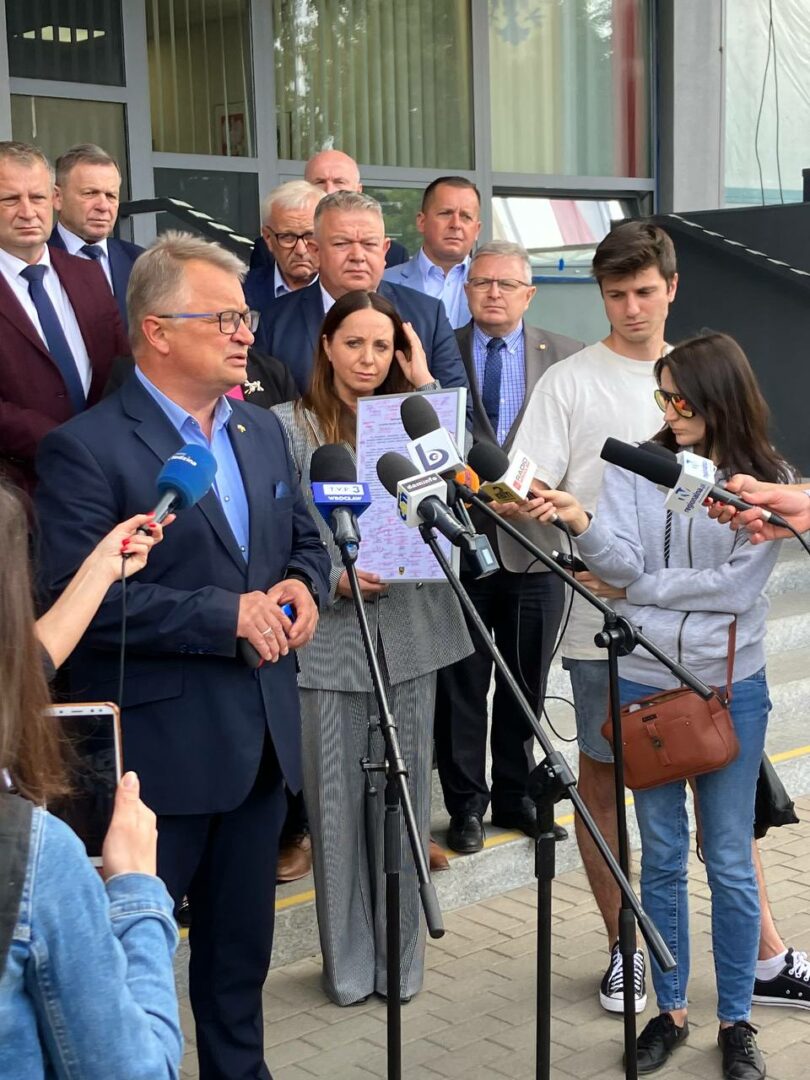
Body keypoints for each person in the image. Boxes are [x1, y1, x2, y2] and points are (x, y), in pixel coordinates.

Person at [34, 232, 331, 1080]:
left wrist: (305, 586)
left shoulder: (261, 429)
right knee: (128, 972)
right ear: (157, 331)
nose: (245, 333)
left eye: (246, 317)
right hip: (156, 762)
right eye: (223, 318)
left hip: (261, 747)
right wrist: (225, 613)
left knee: (239, 970)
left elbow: (303, 540)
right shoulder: (85, 448)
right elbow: (82, 605)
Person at [520, 332, 791, 1079]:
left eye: (680, 397)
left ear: (719, 397)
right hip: (642, 682)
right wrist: (581, 524)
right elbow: (619, 559)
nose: (668, 411)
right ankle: (669, 1011)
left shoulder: (769, 482)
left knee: (729, 860)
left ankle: (736, 1020)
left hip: (729, 688)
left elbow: (734, 590)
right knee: (662, 855)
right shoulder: (638, 464)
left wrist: (636, 592)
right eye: (661, 396)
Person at [271, 289, 473, 1005]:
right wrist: (329, 577)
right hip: (327, 641)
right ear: (326, 346)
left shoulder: (413, 423)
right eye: (353, 342)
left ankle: (402, 965)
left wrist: (426, 386)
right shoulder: (286, 427)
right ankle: (350, 970)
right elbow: (271, 532)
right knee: (334, 811)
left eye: (382, 346)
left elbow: (463, 484)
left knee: (405, 801)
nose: (367, 358)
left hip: (410, 635)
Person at [511, 219, 679, 1012]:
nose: (632, 308)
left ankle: (760, 949)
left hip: (693, 621)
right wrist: (529, 498)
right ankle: (625, 949)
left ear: (672, 287)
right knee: (603, 783)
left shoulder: (699, 371)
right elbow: (524, 481)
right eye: (616, 295)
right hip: (596, 623)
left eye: (644, 291)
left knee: (714, 786)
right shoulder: (569, 381)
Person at [0, 479, 182, 1080]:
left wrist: (102, 567)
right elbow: (136, 1069)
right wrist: (135, 890)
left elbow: (21, 666)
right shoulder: (36, 856)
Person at [434, 241, 582, 854]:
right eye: (482, 282)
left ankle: (516, 795)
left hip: (536, 545)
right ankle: (466, 806)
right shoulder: (442, 351)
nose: (493, 293)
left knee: (525, 681)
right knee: (461, 686)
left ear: (530, 293)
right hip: (459, 540)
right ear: (466, 289)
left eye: (506, 284)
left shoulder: (566, 357)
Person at [254, 191, 471, 416]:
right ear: (315, 251)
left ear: (385, 250)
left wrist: (424, 385)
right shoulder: (275, 321)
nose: (357, 256)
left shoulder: (428, 315)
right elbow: (259, 416)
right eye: (342, 243)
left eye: (369, 244)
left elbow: (461, 415)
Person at [0, 141, 129, 495]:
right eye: (10, 199)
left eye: (37, 197)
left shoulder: (88, 275)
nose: (28, 212)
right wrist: (61, 440)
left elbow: (121, 367)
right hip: (18, 488)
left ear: (54, 199)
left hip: (104, 478)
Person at [248, 149, 408, 271]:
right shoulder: (272, 245)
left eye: (339, 182)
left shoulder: (392, 254)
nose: (329, 191)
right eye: (319, 182)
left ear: (358, 190)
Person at [49, 143, 143, 329]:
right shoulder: (34, 261)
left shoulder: (140, 262)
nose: (103, 206)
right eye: (90, 193)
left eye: (111, 196)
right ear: (57, 198)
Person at [383, 176, 481, 328]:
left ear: (477, 230)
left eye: (465, 216)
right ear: (421, 222)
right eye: (446, 213)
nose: (456, 224)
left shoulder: (491, 288)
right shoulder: (384, 282)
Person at [243, 179, 323, 310]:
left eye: (310, 236)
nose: (301, 250)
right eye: (288, 237)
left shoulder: (348, 292)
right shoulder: (240, 291)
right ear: (268, 238)